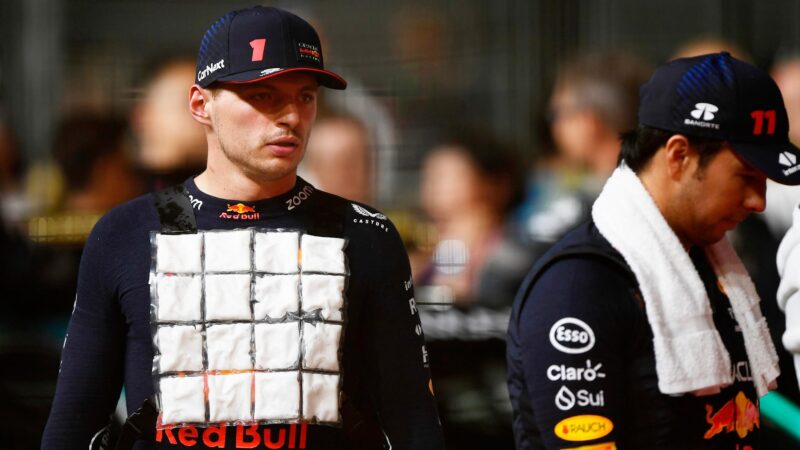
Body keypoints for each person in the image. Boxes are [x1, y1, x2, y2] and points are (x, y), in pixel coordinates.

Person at [42, 6, 444, 450]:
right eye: (263, 96)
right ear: (201, 105)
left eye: (305, 96)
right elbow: (72, 428)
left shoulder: (367, 235)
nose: (290, 115)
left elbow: (413, 424)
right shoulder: (124, 234)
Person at [507, 51, 799, 449]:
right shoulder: (578, 285)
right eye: (746, 176)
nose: (758, 201)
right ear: (679, 156)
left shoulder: (714, 268)